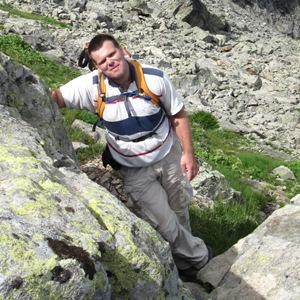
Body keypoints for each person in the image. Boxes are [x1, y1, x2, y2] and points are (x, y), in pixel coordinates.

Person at [50, 33, 212, 282]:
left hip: (169, 154)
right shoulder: (92, 86)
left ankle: (183, 264)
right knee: (164, 223)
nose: (109, 63)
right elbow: (54, 98)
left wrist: (189, 154)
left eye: (112, 55)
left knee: (179, 210)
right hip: (132, 167)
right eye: (101, 62)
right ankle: (201, 259)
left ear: (122, 50)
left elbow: (178, 116)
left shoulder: (154, 77)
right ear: (96, 66)